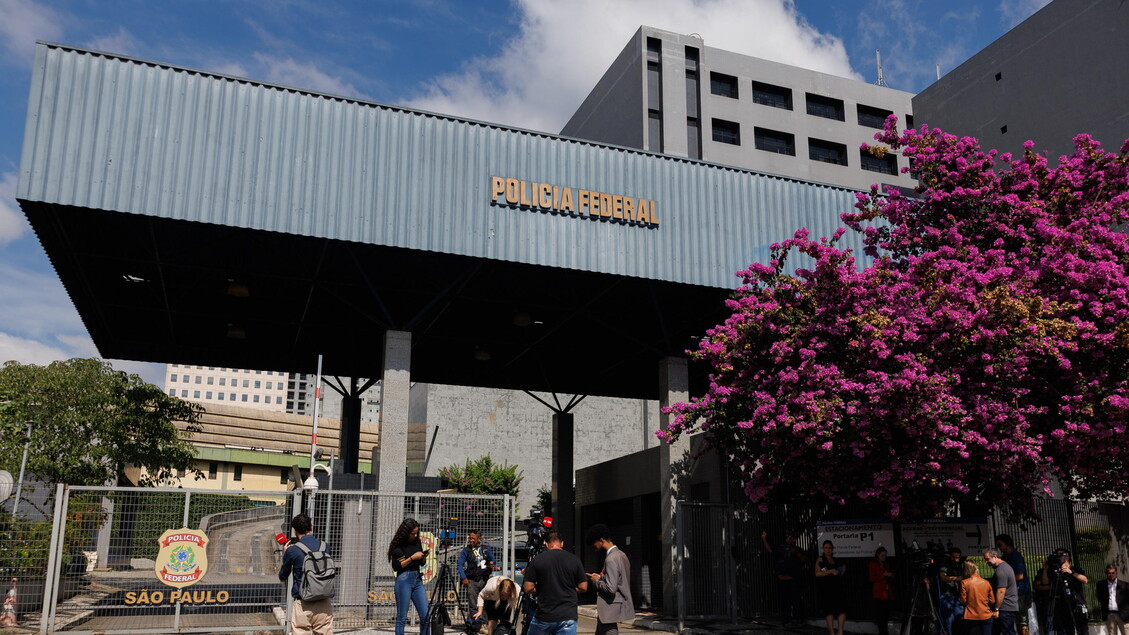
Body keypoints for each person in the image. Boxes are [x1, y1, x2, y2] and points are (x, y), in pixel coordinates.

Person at [521, 529, 588, 635]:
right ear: (562, 543)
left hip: (545, 615)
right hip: (568, 615)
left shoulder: (537, 560)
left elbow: (528, 588)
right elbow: (583, 587)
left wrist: (542, 590)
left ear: (546, 544)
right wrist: (568, 590)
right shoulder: (574, 559)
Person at [278, 513, 334, 635]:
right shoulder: (325, 547)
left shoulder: (292, 550)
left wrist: (286, 554)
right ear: (311, 527)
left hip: (303, 603)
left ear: (295, 531)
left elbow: (282, 577)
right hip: (324, 602)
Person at [585, 524, 634, 635]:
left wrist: (595, 581)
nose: (594, 549)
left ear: (601, 541)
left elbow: (611, 588)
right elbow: (618, 579)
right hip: (614, 606)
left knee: (610, 631)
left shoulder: (611, 559)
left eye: (594, 545)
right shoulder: (621, 555)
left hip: (610, 607)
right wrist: (600, 577)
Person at [388, 518, 430, 635]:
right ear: (406, 532)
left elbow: (421, 563)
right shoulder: (398, 545)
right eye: (413, 533)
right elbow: (397, 566)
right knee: (402, 617)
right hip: (404, 580)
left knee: (425, 615)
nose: (415, 535)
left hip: (417, 579)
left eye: (417, 533)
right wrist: (412, 558)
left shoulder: (417, 541)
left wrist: (423, 557)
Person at [763, 530, 810, 626]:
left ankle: (799, 619)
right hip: (783, 579)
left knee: (797, 599)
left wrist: (797, 554)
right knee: (785, 601)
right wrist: (764, 539)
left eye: (793, 538)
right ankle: (786, 619)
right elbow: (770, 550)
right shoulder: (781, 549)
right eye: (790, 538)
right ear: (786, 539)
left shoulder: (798, 549)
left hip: (794, 579)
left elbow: (806, 560)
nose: (792, 540)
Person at [1035, 550, 1088, 635]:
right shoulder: (1056, 571)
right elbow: (1045, 582)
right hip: (1062, 605)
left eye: (1061, 555)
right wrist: (1045, 569)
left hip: (1076, 603)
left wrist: (1071, 572)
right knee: (1064, 630)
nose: (1059, 558)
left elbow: (1085, 580)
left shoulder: (1076, 569)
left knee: (1082, 630)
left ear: (1068, 557)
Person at [995, 535, 1032, 635]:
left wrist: (1005, 580)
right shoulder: (1005, 557)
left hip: (1021, 592)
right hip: (1013, 593)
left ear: (1007, 544)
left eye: (1000, 545)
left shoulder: (1016, 557)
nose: (999, 548)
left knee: (1022, 621)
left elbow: (1020, 575)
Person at [459, 530, 496, 615]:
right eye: (470, 538)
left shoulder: (485, 548)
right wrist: (464, 578)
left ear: (479, 539)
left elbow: (493, 560)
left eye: (473, 538)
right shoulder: (466, 550)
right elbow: (460, 565)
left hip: (484, 579)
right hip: (472, 580)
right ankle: (475, 622)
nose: (471, 540)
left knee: (485, 602)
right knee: (473, 604)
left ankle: (485, 621)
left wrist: (491, 563)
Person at [815, 540, 847, 635]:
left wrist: (842, 571)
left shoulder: (835, 560)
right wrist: (830, 571)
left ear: (832, 549)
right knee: (829, 611)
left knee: (843, 609)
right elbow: (817, 573)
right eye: (826, 548)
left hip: (837, 588)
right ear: (823, 549)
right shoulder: (821, 559)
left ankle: (840, 631)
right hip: (826, 589)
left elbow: (838, 574)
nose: (828, 550)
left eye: (829, 548)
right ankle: (832, 633)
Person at [984, 548, 1018, 635]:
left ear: (995, 556)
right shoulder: (1004, 567)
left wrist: (996, 609)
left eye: (987, 559)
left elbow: (1001, 592)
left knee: (1008, 632)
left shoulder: (1001, 570)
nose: (986, 562)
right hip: (1006, 607)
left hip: (1005, 608)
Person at [961, 561, 995, 635]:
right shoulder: (986, 582)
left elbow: (963, 600)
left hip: (971, 616)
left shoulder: (964, 582)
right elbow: (992, 600)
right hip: (985, 614)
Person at [938, 548, 967, 635]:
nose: (955, 559)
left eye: (957, 557)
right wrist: (957, 578)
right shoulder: (945, 564)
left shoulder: (960, 565)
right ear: (950, 556)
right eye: (953, 557)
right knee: (949, 618)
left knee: (959, 616)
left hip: (958, 595)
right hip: (947, 594)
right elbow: (943, 577)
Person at [868, 547, 895, 635]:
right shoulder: (873, 564)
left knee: (886, 614)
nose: (884, 557)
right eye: (882, 555)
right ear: (878, 555)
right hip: (879, 592)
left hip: (886, 591)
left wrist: (890, 575)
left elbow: (890, 575)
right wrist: (884, 575)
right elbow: (872, 578)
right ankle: (882, 632)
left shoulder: (885, 564)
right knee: (880, 615)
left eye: (885, 555)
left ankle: (885, 631)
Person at [1097, 564, 1129, 635]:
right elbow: (1099, 598)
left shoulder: (1125, 585)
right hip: (1109, 615)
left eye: (1113, 573)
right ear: (1106, 573)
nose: (1111, 575)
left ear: (1116, 573)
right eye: (1109, 573)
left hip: (1123, 614)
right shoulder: (1101, 584)